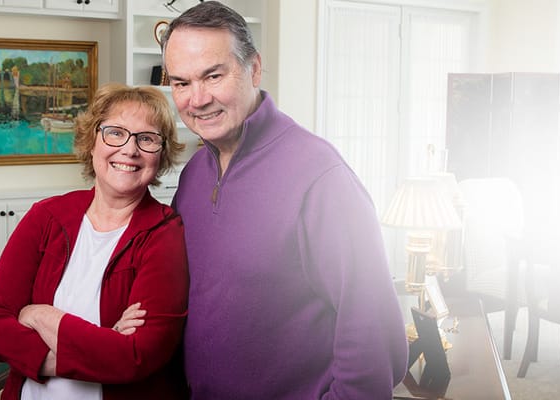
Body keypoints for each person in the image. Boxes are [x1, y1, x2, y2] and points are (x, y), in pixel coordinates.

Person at [160, 2, 408, 398]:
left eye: (213, 75)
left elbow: (374, 337)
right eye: (181, 83)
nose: (197, 98)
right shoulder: (193, 176)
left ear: (254, 69)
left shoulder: (321, 178)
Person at [0, 83, 190, 400]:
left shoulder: (164, 232)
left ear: (161, 156)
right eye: (115, 133)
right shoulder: (45, 217)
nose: (129, 150)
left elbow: (135, 357)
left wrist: (41, 316)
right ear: (92, 142)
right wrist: (103, 342)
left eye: (147, 139)